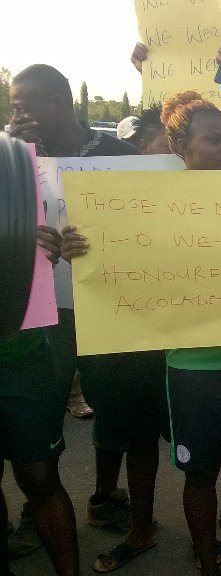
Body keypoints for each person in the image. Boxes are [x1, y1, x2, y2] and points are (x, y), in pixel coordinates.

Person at [66, 91, 221, 576]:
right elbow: (118, 255)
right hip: (189, 368)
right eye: (215, 140)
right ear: (182, 146)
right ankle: (207, 564)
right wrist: (81, 247)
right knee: (198, 475)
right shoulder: (147, 203)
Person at [9, 63, 166, 570]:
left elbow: (150, 228)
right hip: (39, 313)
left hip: (111, 305)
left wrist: (100, 244)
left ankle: (122, 509)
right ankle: (42, 507)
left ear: (60, 101)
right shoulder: (11, 161)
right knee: (38, 421)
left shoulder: (119, 156)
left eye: (24, 104)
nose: (16, 115)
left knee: (126, 414)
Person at [0, 145, 78, 576]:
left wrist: (37, 243)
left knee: (40, 478)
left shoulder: (9, 161)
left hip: (21, 354)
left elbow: (40, 232)